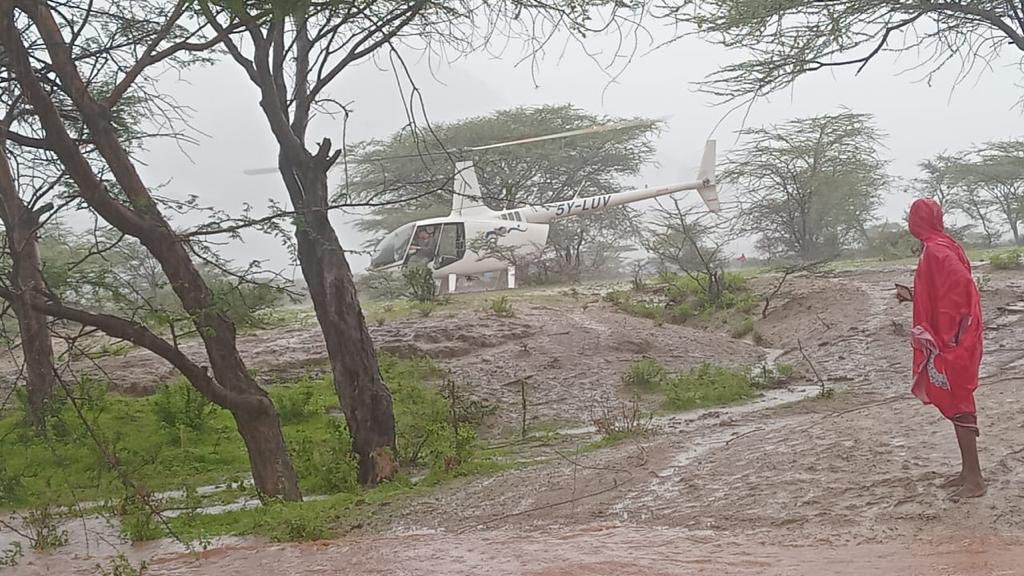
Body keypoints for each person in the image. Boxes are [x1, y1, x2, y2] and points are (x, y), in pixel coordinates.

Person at [898, 198, 985, 498]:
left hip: (953, 339)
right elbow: (942, 290)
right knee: (957, 400)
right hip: (955, 336)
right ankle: (968, 473)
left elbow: (961, 288)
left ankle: (975, 480)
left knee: (960, 402)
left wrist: (951, 334)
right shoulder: (942, 245)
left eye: (912, 217)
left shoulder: (936, 250)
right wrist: (914, 296)